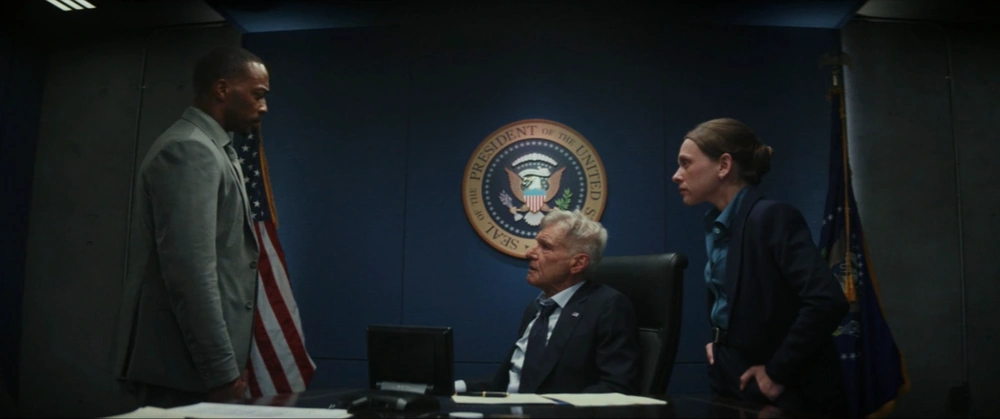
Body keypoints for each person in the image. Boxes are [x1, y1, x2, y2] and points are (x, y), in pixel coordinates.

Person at [112, 46, 269, 408]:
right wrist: (221, 372)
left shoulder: (214, 148)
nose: (263, 107)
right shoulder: (189, 150)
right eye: (257, 94)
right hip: (181, 372)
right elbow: (191, 274)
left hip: (192, 370)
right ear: (222, 89)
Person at [671, 117, 848, 415]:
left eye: (685, 163)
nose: (676, 176)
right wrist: (720, 343)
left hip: (780, 385)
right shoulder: (718, 224)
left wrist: (777, 371)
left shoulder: (772, 217)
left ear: (723, 165)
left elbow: (826, 301)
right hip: (729, 371)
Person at [456, 209, 640, 395]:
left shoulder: (607, 306)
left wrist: (551, 407)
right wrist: (455, 387)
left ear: (577, 263)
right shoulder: (536, 310)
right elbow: (510, 382)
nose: (529, 253)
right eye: (536, 244)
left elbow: (616, 388)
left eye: (545, 247)